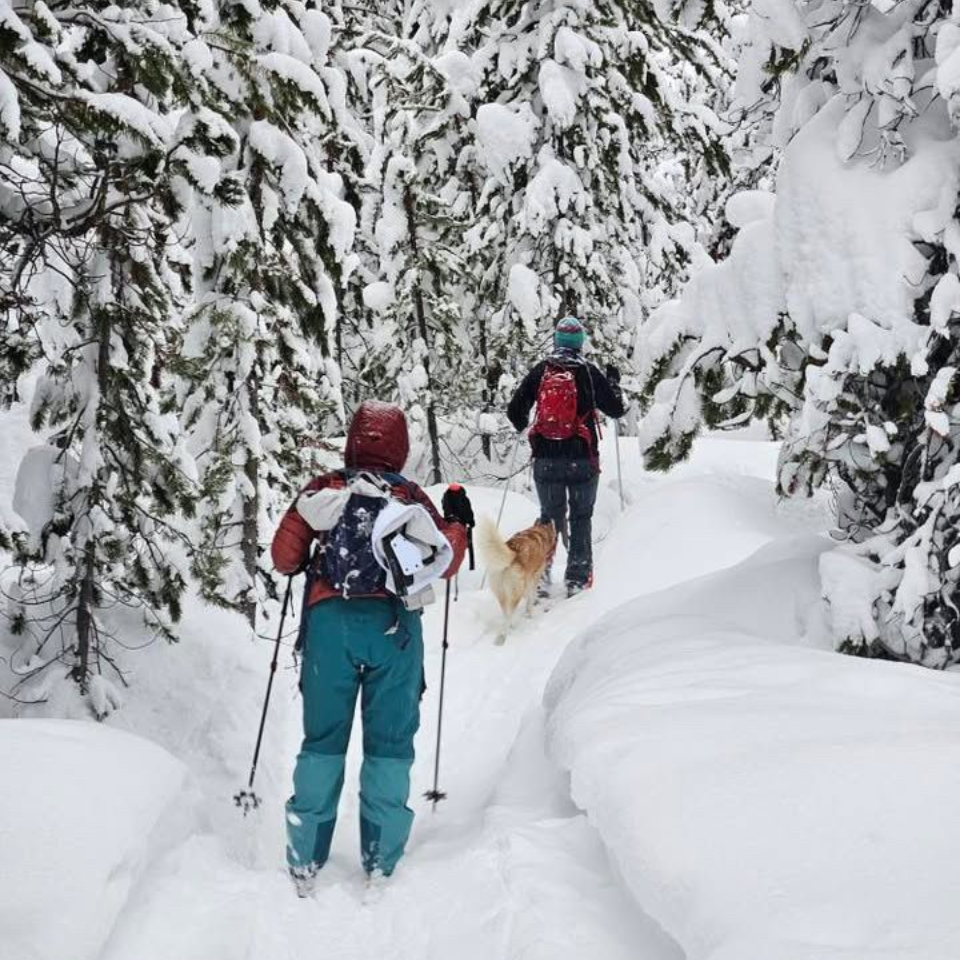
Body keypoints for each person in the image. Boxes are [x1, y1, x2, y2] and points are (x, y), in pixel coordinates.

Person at [271, 401, 471, 892]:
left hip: (329, 627)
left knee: (322, 741)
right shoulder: (408, 495)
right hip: (394, 630)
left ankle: (305, 857)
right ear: (401, 446)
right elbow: (443, 562)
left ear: (353, 440)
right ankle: (381, 860)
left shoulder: (323, 489)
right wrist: (458, 524)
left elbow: (283, 558)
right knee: (389, 743)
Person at [507, 317, 625, 596]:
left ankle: (541, 578)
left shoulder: (541, 371)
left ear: (557, 341)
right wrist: (613, 383)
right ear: (580, 343)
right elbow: (616, 410)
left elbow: (515, 411)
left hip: (546, 459)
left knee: (548, 517)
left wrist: (529, 426)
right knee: (581, 518)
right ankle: (577, 579)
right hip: (583, 459)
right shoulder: (589, 373)